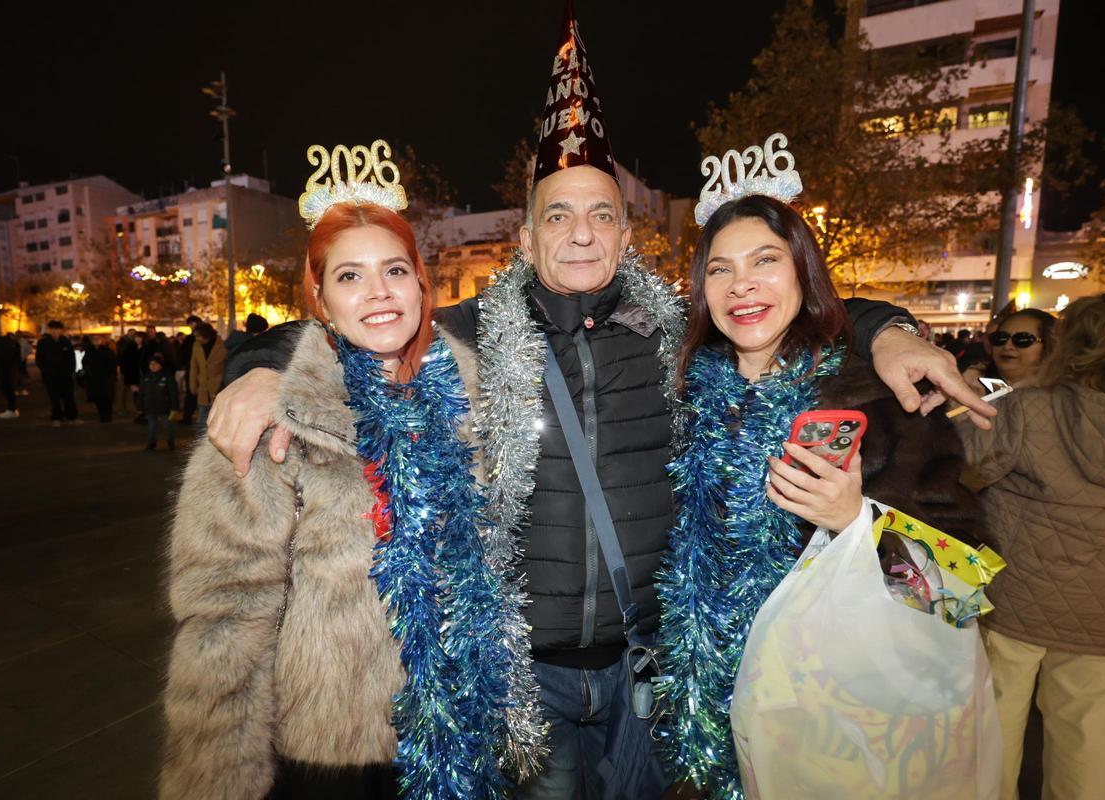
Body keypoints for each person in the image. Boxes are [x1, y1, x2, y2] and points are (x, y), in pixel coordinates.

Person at [205, 9, 995, 797]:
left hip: (662, 672)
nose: (581, 234)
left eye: (601, 216)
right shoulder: (465, 336)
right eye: (559, 215)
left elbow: (804, 316)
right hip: (527, 679)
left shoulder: (685, 341)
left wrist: (887, 330)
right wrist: (258, 365)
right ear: (525, 238)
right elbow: (369, 323)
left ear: (626, 235)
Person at [160, 163, 541, 798]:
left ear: (421, 283)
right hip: (332, 759)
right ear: (321, 300)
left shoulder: (475, 400)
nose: (378, 292)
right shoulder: (271, 423)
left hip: (463, 729)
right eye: (349, 276)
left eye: (394, 270)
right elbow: (221, 623)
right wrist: (219, 779)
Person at [656, 188, 985, 797]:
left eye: (765, 261)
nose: (741, 286)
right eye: (720, 269)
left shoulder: (881, 401)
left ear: (803, 273)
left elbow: (959, 590)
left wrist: (855, 520)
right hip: (700, 722)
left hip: (831, 727)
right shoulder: (684, 396)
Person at [957, 294, 1105, 800]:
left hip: (1020, 594)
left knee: (994, 729)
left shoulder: (1027, 407)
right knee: (1089, 736)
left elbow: (964, 467)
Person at [964, 308, 1056, 390]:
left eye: (1022, 339)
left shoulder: (1062, 393)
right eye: (1001, 337)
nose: (1007, 346)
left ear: (1049, 343)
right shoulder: (969, 383)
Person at [35, 320, 79, 426]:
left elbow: (71, 358)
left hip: (66, 375)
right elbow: (39, 359)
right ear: (50, 330)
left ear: (61, 330)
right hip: (51, 375)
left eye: (58, 329)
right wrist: (46, 370)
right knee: (54, 397)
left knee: (69, 397)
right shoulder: (43, 343)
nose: (55, 331)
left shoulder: (65, 341)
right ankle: (56, 417)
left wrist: (71, 370)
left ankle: (71, 417)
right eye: (53, 329)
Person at [188, 321, 225, 430]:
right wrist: (193, 385)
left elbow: (227, 366)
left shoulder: (222, 345)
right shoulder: (196, 346)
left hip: (218, 388)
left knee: (216, 422)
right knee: (201, 421)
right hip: (203, 388)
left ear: (206, 335)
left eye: (198, 336)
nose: (196, 338)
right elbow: (193, 366)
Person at [138, 353, 177, 450]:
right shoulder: (146, 377)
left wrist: (175, 407)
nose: (152, 366)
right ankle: (152, 443)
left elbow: (173, 393)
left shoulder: (167, 377)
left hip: (165, 407)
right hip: (150, 407)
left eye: (155, 364)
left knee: (168, 426)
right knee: (152, 426)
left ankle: (171, 442)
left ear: (160, 365)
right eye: (151, 364)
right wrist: (139, 405)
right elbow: (141, 393)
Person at [83, 334, 118, 423]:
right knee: (98, 398)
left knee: (107, 398)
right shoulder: (89, 350)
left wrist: (112, 375)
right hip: (94, 379)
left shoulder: (107, 351)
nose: (96, 340)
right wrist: (88, 372)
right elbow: (85, 363)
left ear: (102, 340)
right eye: (94, 339)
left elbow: (113, 364)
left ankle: (108, 416)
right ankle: (102, 415)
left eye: (98, 339)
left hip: (106, 378)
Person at [0, 329, 21, 419]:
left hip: (3, 370)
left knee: (7, 389)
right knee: (9, 390)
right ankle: (12, 409)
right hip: (9, 369)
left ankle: (11, 410)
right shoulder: (7, 343)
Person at [178, 316, 200, 425]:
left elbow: (183, 354)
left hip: (194, 369)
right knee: (191, 393)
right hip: (191, 369)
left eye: (192, 324)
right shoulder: (190, 339)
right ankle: (188, 416)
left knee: (192, 393)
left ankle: (188, 416)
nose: (190, 326)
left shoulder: (193, 339)